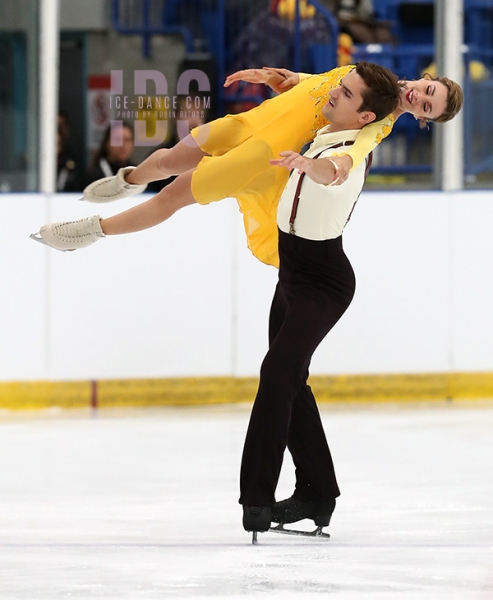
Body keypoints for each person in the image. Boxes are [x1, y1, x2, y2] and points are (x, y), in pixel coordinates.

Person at [31, 63, 462, 268]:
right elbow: (318, 84)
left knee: (172, 196)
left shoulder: (378, 121)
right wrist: (282, 78)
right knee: (168, 159)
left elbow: (352, 153)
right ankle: (129, 178)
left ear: (424, 118)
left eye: (427, 105)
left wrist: (341, 164)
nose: (418, 97)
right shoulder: (370, 74)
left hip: (258, 156)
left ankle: (89, 232)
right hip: (248, 123)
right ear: (426, 78)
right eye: (427, 89)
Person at [240, 62, 401, 536]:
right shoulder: (326, 130)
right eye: (342, 86)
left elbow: (336, 173)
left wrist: (312, 167)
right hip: (292, 274)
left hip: (323, 283)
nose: (337, 93)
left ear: (365, 117)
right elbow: (311, 98)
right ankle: (317, 493)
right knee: (290, 380)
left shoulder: (351, 151)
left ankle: (256, 499)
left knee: (277, 374)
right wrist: (288, 82)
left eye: (347, 93)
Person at [83, 121, 135, 186]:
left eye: (127, 140)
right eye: (117, 139)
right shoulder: (93, 176)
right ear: (106, 143)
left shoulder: (137, 173)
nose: (123, 145)